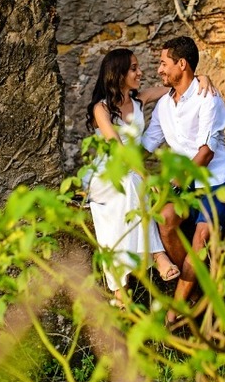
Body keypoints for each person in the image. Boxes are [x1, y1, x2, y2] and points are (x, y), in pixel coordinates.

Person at [85, 48, 214, 305]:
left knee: (132, 185)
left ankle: (120, 287)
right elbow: (119, 151)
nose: (140, 72)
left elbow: (177, 86)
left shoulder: (139, 100)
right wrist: (146, 178)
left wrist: (201, 79)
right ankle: (157, 254)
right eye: (133, 68)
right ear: (118, 73)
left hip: (131, 174)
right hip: (107, 173)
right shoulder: (100, 109)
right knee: (131, 182)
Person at [141, 36, 225, 325]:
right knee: (165, 219)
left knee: (201, 237)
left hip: (218, 182)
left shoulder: (208, 97)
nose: (159, 70)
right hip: (186, 186)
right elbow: (147, 144)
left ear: (181, 64)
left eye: (163, 63)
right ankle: (194, 289)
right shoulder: (164, 107)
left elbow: (207, 151)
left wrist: (174, 182)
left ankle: (176, 309)